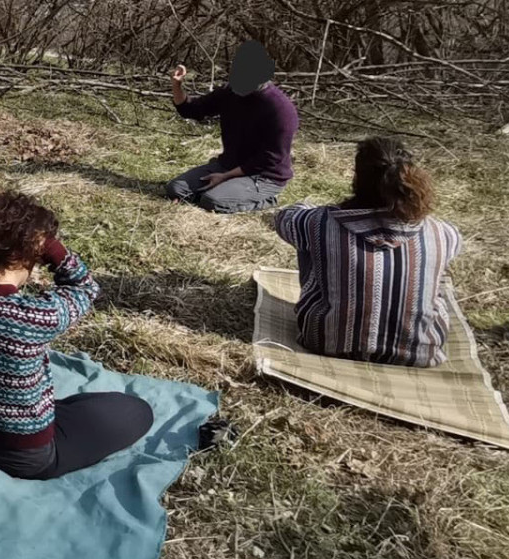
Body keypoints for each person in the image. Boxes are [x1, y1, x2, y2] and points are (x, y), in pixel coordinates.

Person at [0, 190, 153, 479]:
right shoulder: (37, 316)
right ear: (30, 254)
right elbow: (86, 287)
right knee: (137, 411)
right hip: (23, 455)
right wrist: (52, 248)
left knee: (78, 410)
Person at [272, 137, 463, 367]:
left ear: (357, 177)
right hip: (418, 354)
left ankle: (336, 317)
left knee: (307, 240)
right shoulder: (443, 232)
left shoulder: (320, 222)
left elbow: (283, 220)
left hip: (325, 343)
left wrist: (310, 208)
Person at [164, 40, 299, 212]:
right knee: (175, 190)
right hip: (228, 164)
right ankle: (222, 190)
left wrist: (226, 177)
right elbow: (191, 110)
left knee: (213, 202)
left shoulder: (281, 110)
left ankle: (266, 200)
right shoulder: (230, 93)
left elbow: (269, 159)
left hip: (264, 175)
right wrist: (177, 85)